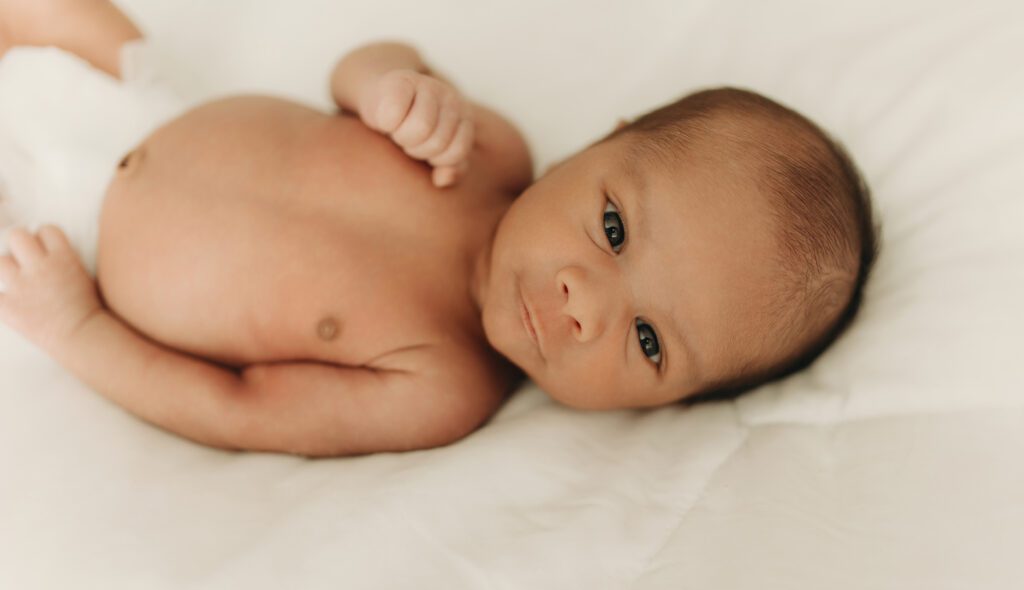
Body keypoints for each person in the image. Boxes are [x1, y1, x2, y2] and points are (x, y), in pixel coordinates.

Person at [0, 0, 877, 457]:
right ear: (597, 146)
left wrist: (76, 328)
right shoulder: (486, 150)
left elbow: (237, 408)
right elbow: (357, 70)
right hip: (142, 104)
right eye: (613, 227)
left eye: (648, 341)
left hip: (59, 239)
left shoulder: (441, 389)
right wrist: (389, 86)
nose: (586, 304)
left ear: (664, 405)